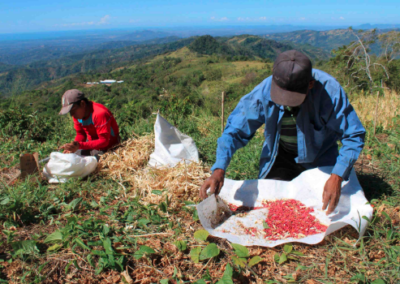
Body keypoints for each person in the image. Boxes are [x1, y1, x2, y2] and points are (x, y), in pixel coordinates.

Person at [199, 50, 366, 214]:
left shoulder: (330, 93)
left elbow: (354, 135)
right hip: (281, 157)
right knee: (271, 204)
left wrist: (336, 177)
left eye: (292, 98)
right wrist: (219, 169)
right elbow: (234, 131)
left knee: (325, 207)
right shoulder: (263, 92)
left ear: (310, 84)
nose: (286, 103)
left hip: (320, 160)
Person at [59, 89, 119, 155]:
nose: (71, 115)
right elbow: (80, 134)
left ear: (82, 104)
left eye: (72, 110)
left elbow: (104, 141)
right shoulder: (77, 115)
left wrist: (79, 146)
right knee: (71, 156)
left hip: (108, 146)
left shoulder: (99, 114)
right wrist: (74, 146)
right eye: (70, 112)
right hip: (92, 143)